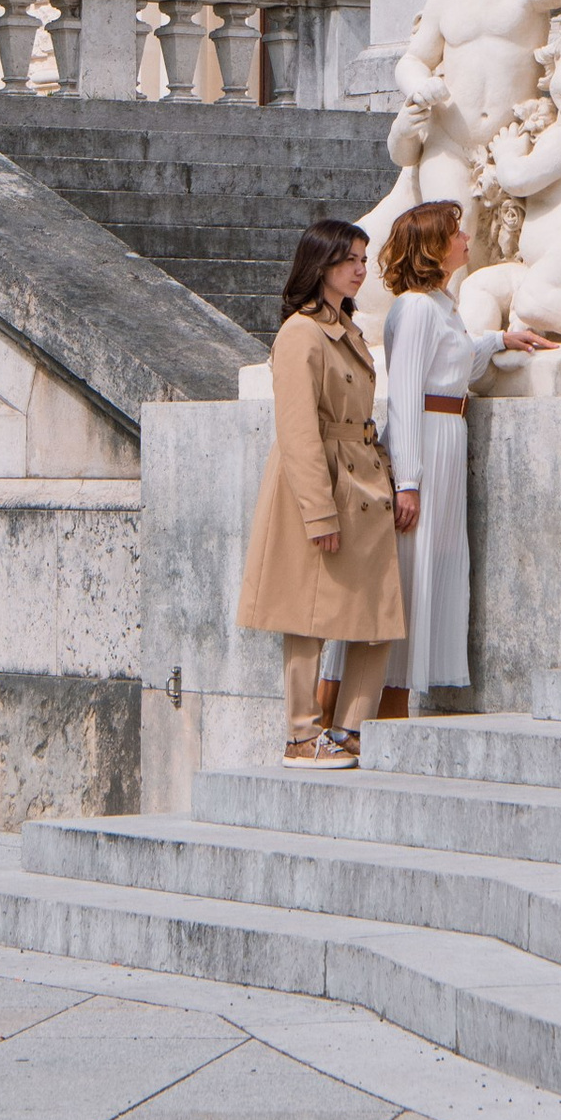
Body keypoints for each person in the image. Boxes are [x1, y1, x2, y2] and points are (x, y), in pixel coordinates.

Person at [235, 219, 402, 768]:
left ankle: (351, 728)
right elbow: (299, 429)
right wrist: (318, 513)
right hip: (326, 481)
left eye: (363, 257)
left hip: (363, 477)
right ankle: (302, 735)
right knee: (308, 613)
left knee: (376, 611)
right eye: (350, 259)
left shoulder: (346, 329)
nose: (361, 268)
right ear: (321, 264)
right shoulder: (301, 333)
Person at [372, 199, 542, 714]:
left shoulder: (440, 305)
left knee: (433, 567)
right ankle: (381, 707)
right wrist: (408, 480)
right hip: (426, 438)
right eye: (457, 233)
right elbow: (402, 393)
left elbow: (457, 367)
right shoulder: (418, 308)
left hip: (448, 433)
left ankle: (397, 702)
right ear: (434, 246)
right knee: (411, 569)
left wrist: (496, 339)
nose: (467, 239)